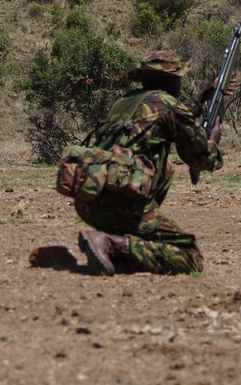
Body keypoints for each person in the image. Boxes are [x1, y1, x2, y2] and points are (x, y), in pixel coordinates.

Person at [74, 51, 229, 276]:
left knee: (165, 167)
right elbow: (204, 159)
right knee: (190, 257)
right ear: (170, 80)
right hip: (122, 207)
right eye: (178, 78)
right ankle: (113, 244)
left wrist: (200, 98)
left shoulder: (124, 103)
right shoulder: (169, 105)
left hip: (89, 202)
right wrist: (214, 137)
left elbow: (163, 116)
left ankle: (120, 242)